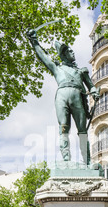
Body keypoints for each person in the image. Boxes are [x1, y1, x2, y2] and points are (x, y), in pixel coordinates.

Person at [27, 29, 100, 164]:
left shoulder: (81, 71)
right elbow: (43, 56)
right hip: (61, 97)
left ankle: (87, 160)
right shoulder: (57, 68)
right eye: (70, 51)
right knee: (64, 128)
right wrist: (34, 41)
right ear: (64, 54)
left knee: (82, 130)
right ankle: (66, 159)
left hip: (78, 97)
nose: (73, 53)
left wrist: (95, 92)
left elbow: (91, 86)